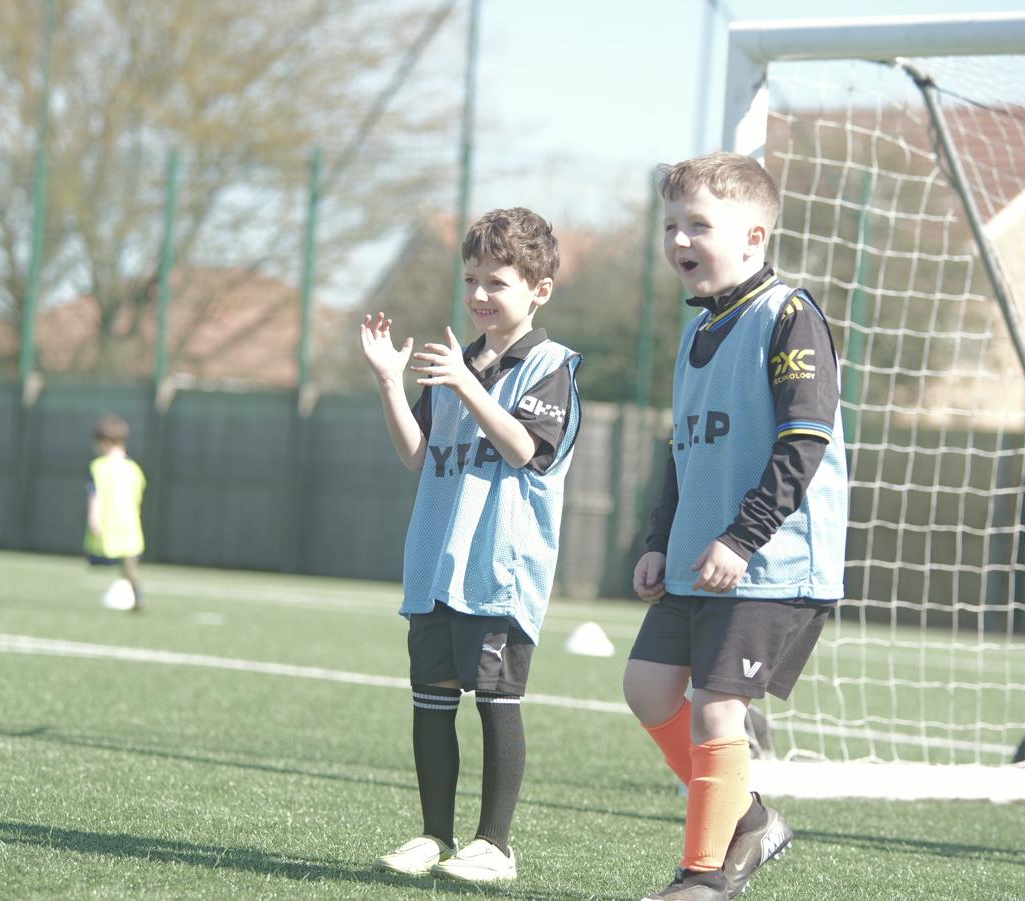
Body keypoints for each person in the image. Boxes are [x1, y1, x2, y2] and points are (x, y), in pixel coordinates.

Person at [624, 151, 847, 901]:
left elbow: (803, 442)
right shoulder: (695, 333)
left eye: (698, 225)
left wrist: (742, 537)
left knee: (718, 709)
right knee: (648, 689)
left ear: (755, 236)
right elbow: (681, 451)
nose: (679, 240)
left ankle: (703, 876)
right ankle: (748, 818)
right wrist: (660, 540)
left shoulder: (789, 317)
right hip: (699, 556)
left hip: (767, 563)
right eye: (671, 226)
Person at [358, 207, 581, 883]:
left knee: (494, 700)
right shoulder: (460, 362)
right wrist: (390, 381)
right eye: (471, 279)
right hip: (436, 563)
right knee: (431, 700)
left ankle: (495, 844)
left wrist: (466, 383)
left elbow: (523, 449)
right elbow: (418, 455)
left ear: (539, 290)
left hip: (497, 568)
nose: (480, 294)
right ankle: (434, 834)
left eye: (497, 282)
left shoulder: (550, 366)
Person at [84, 413, 147, 611]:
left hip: (108, 523)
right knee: (129, 561)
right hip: (130, 523)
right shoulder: (134, 468)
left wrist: (93, 519)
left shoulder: (99, 467)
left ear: (105, 443)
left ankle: (129, 593)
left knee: (101, 559)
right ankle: (137, 595)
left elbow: (95, 496)